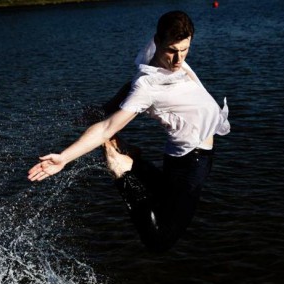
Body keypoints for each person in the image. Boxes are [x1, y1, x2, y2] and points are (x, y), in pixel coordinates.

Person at [28, 11, 230, 252]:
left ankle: (134, 160)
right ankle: (122, 171)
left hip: (189, 158)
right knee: (159, 241)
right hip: (190, 163)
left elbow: (130, 85)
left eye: (184, 50)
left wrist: (108, 107)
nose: (178, 60)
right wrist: (64, 158)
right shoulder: (147, 85)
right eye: (172, 50)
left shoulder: (156, 60)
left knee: (164, 199)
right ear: (157, 41)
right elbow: (107, 127)